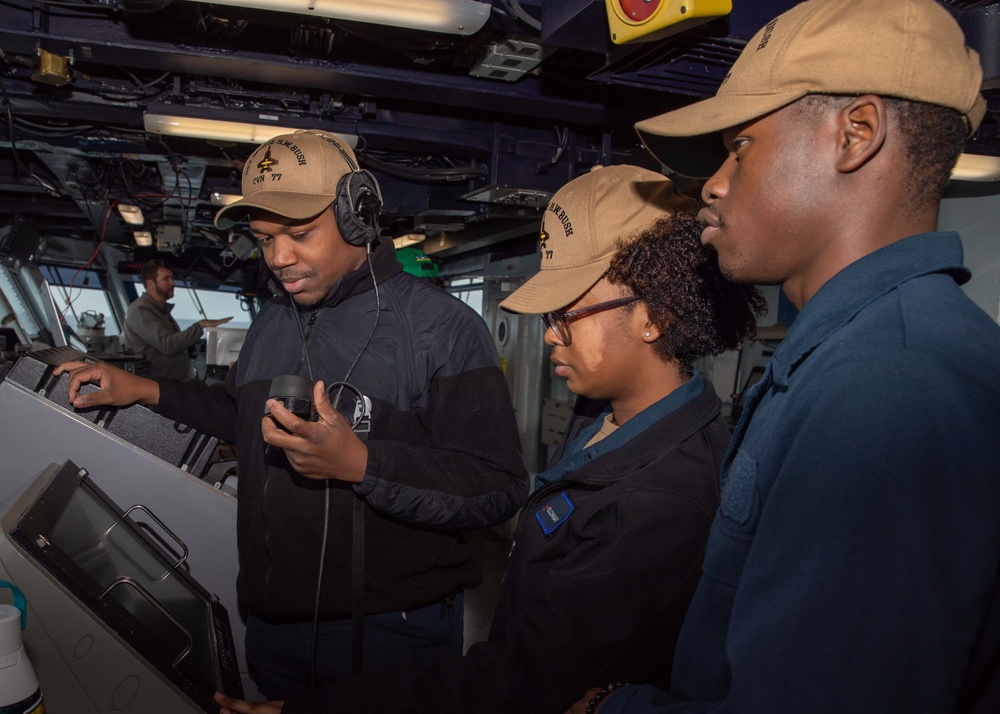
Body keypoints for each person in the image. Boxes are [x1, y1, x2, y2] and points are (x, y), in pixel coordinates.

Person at [568, 0, 1000, 712]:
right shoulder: (860, 357)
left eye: (741, 147)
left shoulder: (889, 387)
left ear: (855, 134)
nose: (712, 183)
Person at [212, 164, 765, 714]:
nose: (550, 333)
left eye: (569, 314)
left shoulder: (663, 501)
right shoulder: (603, 416)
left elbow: (520, 678)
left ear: (658, 315)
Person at [55, 130, 529, 699]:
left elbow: (498, 487)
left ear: (358, 216)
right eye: (264, 238)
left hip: (389, 634)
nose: (279, 258)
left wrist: (361, 464)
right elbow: (239, 413)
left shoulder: (441, 330)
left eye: (300, 233)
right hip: (271, 625)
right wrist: (144, 389)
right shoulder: (272, 322)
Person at [123, 257, 233, 378]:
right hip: (156, 386)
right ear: (150, 284)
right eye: (166, 279)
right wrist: (200, 325)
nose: (172, 283)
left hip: (169, 384)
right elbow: (168, 345)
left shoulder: (159, 310)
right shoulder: (141, 310)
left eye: (172, 278)